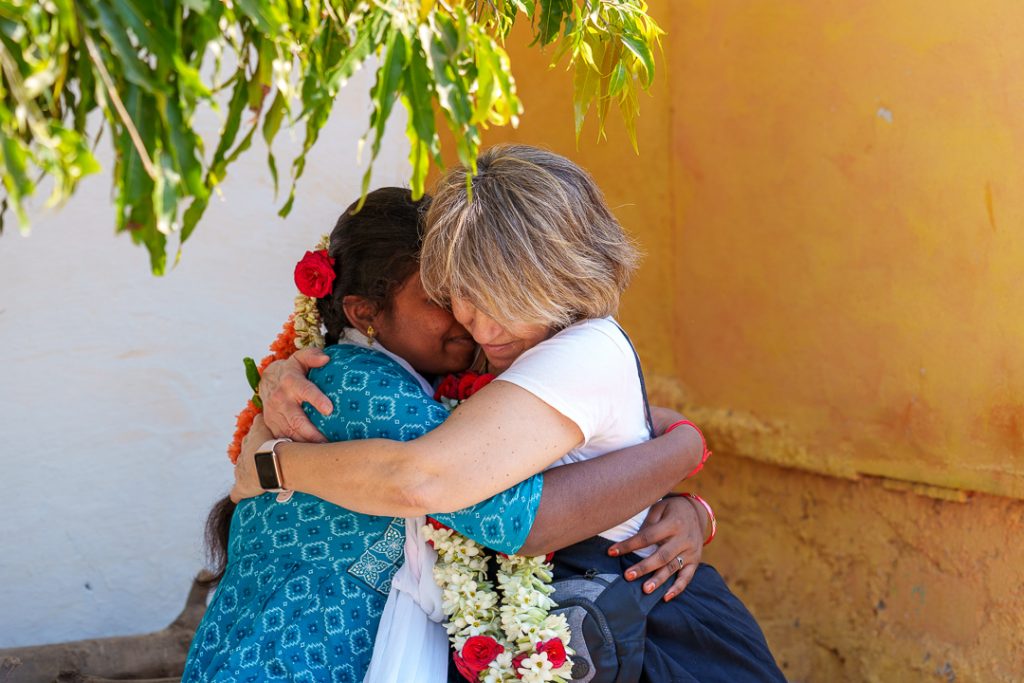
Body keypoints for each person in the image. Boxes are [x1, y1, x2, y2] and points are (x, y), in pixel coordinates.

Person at [238, 146, 786, 682]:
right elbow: (640, 422)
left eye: (504, 298)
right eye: (461, 296)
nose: (481, 327)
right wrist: (684, 451)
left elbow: (439, 485)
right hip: (558, 630)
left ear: (558, 274)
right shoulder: (505, 345)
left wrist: (271, 464)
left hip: (642, 630)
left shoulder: (583, 348)